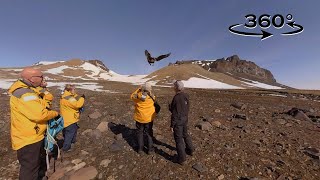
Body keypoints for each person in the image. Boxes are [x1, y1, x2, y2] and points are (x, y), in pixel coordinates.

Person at [8, 67, 59, 180]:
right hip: (28, 138)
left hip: (31, 134)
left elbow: (44, 101)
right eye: (41, 77)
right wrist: (55, 114)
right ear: (32, 79)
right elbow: (39, 115)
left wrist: (44, 89)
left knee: (32, 165)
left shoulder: (29, 90)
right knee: (29, 168)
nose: (43, 78)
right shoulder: (26, 94)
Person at [169, 80, 194, 165]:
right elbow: (186, 108)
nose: (173, 88)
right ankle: (191, 150)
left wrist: (172, 125)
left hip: (178, 121)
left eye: (174, 86)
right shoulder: (186, 95)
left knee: (178, 139)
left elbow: (174, 112)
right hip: (185, 119)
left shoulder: (176, 97)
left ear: (176, 88)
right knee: (185, 134)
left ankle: (182, 159)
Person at [130, 82, 156, 155]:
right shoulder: (152, 97)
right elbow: (153, 97)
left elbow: (132, 96)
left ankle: (140, 149)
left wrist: (139, 89)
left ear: (142, 89)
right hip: (149, 118)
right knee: (149, 133)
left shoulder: (138, 97)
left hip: (140, 118)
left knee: (140, 133)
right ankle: (150, 150)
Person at [60, 84, 85, 152]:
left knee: (68, 132)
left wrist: (75, 95)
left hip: (65, 118)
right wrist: (82, 98)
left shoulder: (65, 96)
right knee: (70, 133)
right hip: (71, 119)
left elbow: (73, 100)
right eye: (74, 89)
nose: (75, 90)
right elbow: (78, 105)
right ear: (70, 90)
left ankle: (70, 143)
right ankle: (66, 148)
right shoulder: (69, 98)